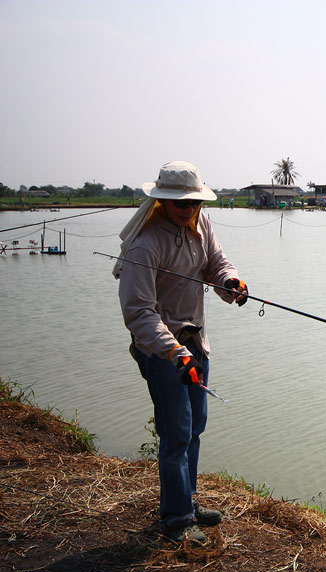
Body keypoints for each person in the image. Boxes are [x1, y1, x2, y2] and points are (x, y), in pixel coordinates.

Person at [114, 160, 249, 544]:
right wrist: (174, 353)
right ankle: (176, 518)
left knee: (195, 428)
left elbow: (216, 263)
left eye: (193, 202)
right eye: (180, 203)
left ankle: (187, 499)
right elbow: (138, 314)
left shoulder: (201, 225)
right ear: (162, 201)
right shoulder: (145, 244)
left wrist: (230, 283)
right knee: (176, 433)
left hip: (196, 342)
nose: (188, 209)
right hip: (162, 351)